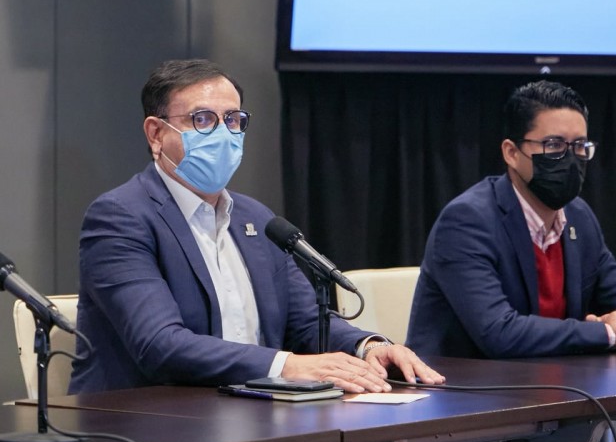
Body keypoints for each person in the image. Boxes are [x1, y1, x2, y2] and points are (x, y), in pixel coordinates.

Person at [68, 58, 444, 396]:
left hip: (250, 411)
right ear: (155, 133)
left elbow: (305, 322)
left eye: (233, 119)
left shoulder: (255, 218)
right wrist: (286, 365)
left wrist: (369, 347)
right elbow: (160, 345)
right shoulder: (121, 217)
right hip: (146, 422)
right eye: (202, 120)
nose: (223, 134)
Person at [405, 79, 616, 442]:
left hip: (554, 411)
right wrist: (609, 333)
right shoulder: (467, 220)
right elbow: (500, 333)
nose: (571, 159)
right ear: (512, 153)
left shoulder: (578, 218)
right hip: (468, 420)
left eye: (580, 146)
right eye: (554, 146)